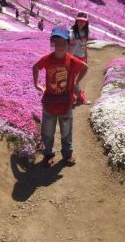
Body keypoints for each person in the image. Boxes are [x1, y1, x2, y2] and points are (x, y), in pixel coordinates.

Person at [33, 26, 88, 167]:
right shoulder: (47, 59)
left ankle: (67, 154)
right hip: (49, 102)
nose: (59, 46)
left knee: (66, 131)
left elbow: (85, 67)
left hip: (66, 102)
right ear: (52, 43)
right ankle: (47, 155)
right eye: (56, 42)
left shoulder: (71, 60)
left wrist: (75, 82)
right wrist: (37, 85)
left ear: (68, 43)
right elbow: (36, 67)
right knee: (47, 132)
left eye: (62, 43)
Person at [68, 12, 90, 105]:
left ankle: (76, 98)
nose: (81, 22)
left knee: (74, 80)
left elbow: (84, 44)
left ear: (86, 22)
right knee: (72, 79)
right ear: (76, 21)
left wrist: (86, 55)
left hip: (81, 57)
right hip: (73, 57)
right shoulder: (71, 32)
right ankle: (78, 98)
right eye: (79, 20)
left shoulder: (85, 32)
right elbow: (67, 42)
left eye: (83, 21)